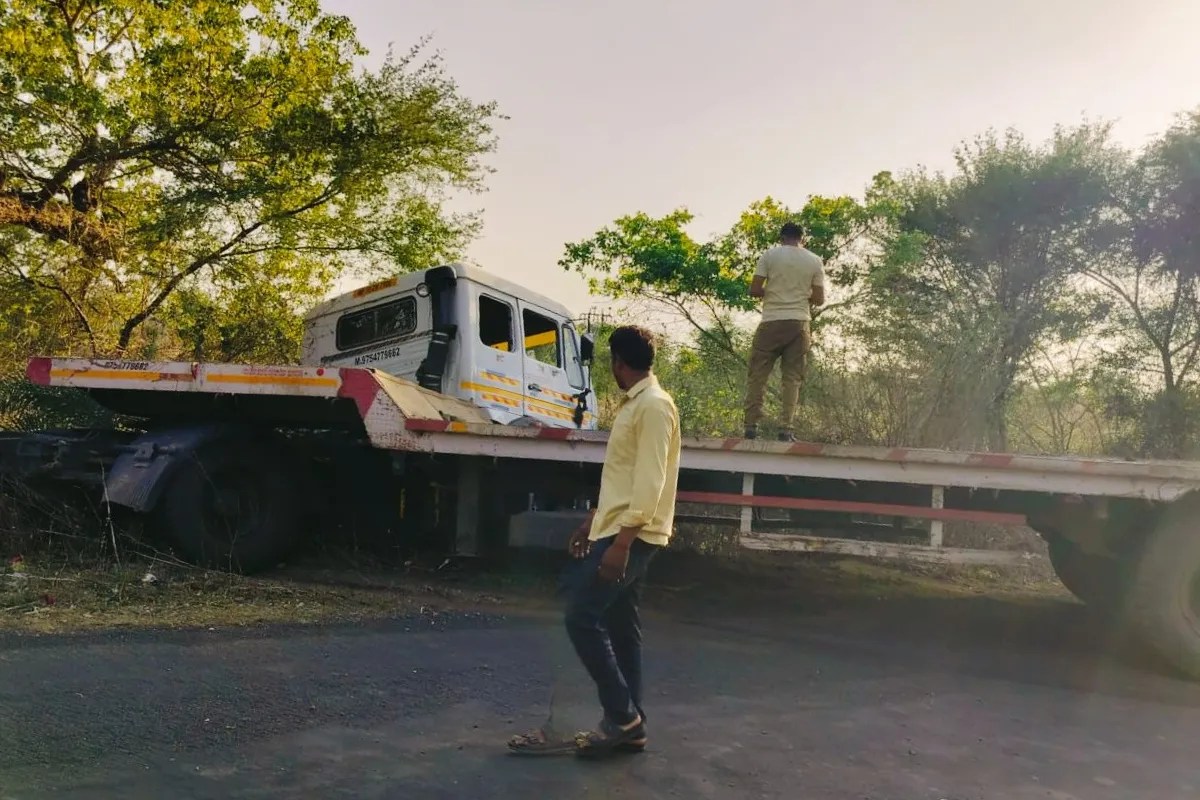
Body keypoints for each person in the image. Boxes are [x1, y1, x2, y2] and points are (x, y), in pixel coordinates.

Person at [508, 325, 681, 758]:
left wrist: (621, 543)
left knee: (581, 615)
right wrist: (593, 521)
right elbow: (624, 476)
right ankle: (632, 724)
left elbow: (650, 481)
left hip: (634, 534)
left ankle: (621, 717)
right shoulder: (635, 406)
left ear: (618, 363)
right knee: (623, 629)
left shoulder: (655, 407)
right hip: (617, 526)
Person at [743, 221, 825, 441]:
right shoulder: (814, 260)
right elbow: (819, 299)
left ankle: (751, 426)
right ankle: (785, 428)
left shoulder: (769, 256)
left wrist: (773, 291)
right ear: (802, 238)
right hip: (799, 323)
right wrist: (801, 293)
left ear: (781, 237)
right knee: (792, 378)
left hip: (771, 321)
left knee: (758, 375)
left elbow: (754, 290)